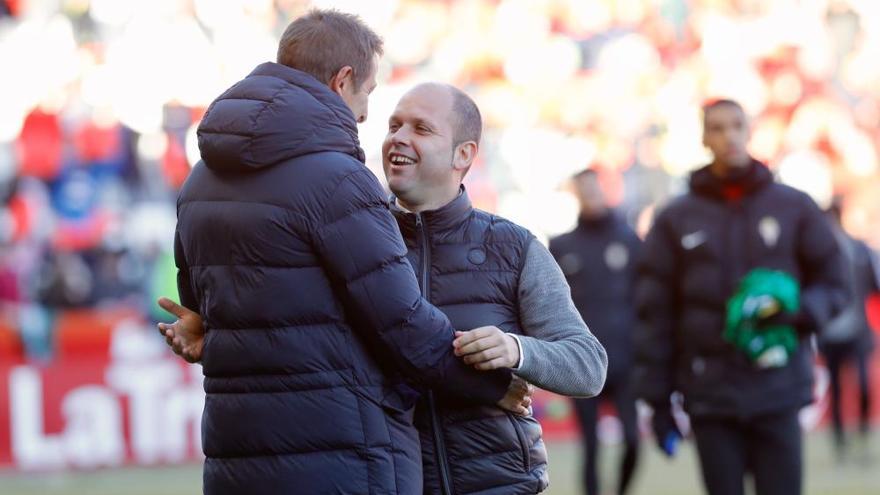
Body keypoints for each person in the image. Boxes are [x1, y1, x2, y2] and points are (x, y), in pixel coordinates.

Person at [162, 82, 609, 494]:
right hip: (388, 482)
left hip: (501, 484)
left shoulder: (513, 247)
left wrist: (517, 350)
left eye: (421, 128)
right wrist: (216, 330)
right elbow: (295, 342)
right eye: (394, 125)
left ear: (463, 155)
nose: (398, 137)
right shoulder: (346, 236)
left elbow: (588, 366)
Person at [632, 98, 849, 495]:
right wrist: (658, 402)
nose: (728, 135)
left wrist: (801, 313)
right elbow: (654, 314)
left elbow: (835, 280)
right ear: (704, 138)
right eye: (717, 127)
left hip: (778, 388)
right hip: (709, 394)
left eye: (736, 125)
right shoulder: (675, 218)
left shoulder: (793, 206)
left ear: (749, 131)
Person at [549, 169, 642, 495]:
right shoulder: (561, 246)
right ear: (576, 194)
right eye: (583, 190)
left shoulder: (629, 241)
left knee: (633, 440)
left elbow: (645, 299)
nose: (590, 195)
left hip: (627, 361)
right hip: (583, 360)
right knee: (591, 446)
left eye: (594, 189)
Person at [819, 199, 877, 459]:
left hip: (858, 329)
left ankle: (863, 432)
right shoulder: (818, 255)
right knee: (836, 389)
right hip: (829, 332)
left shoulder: (859, 250)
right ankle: (839, 440)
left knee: (863, 383)